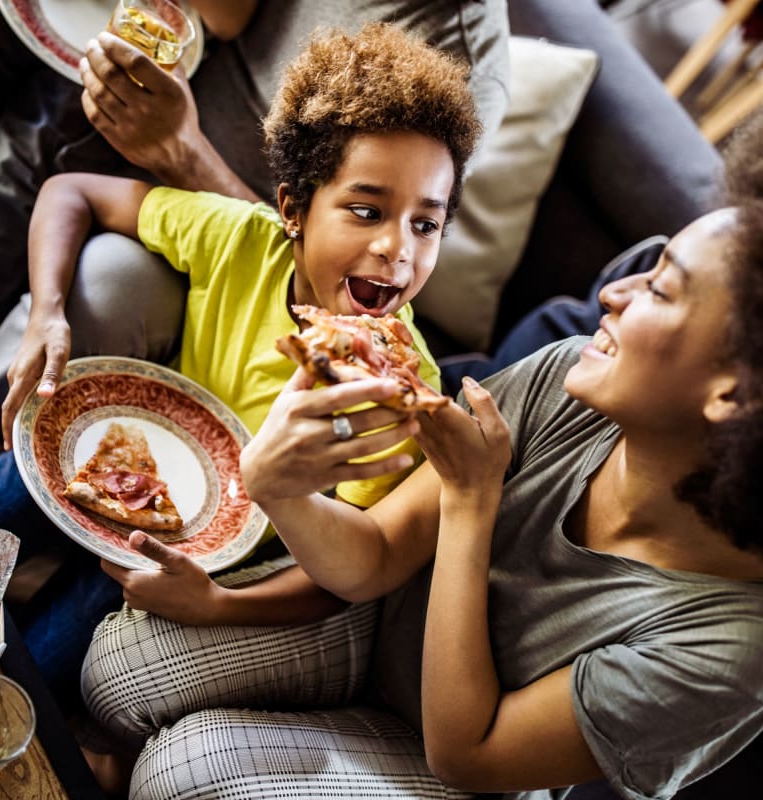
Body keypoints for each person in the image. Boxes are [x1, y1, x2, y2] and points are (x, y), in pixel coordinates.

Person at [79, 110, 763, 799]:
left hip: (457, 762)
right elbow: (375, 553)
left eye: (660, 288)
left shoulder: (731, 651)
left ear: (734, 395)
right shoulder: (569, 378)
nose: (612, 294)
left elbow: (471, 755)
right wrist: (279, 489)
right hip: (381, 621)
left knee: (183, 774)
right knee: (113, 668)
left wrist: (472, 502)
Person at [0, 21, 483, 716]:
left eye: (425, 224)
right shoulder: (242, 239)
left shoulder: (400, 393)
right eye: (367, 209)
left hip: (201, 555)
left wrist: (217, 604)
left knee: (24, 683)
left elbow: (340, 577)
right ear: (292, 210)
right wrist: (47, 315)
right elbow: (71, 192)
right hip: (125, 448)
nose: (395, 249)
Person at [0, 0, 510, 386]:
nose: (402, 247)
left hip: (206, 175)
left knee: (14, 170)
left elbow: (309, 235)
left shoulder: (441, 57)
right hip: (137, 53)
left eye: (424, 230)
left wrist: (178, 151)